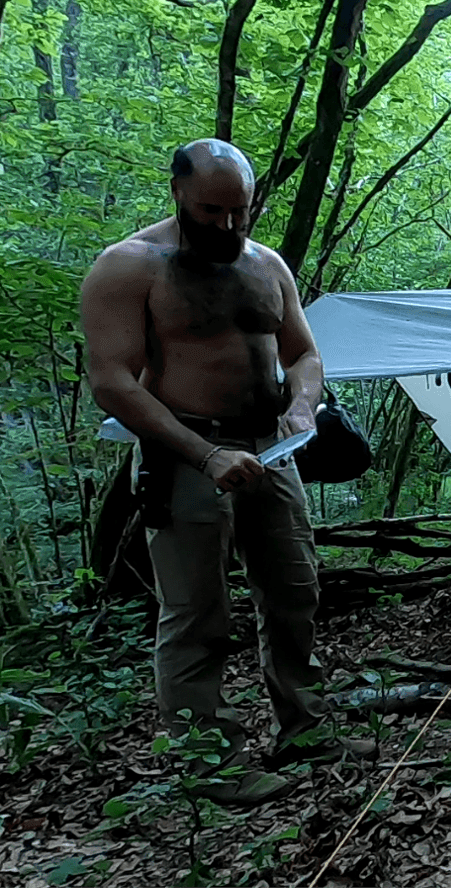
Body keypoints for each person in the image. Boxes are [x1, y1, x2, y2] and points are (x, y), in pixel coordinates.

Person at [80, 138, 374, 805]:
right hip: (184, 454)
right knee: (196, 613)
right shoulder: (130, 268)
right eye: (213, 210)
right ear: (178, 191)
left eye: (241, 211)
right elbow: (113, 383)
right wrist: (204, 453)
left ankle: (305, 729)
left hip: (271, 449)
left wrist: (302, 408)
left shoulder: (268, 265)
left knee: (295, 592)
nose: (230, 225)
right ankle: (208, 764)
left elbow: (306, 355)